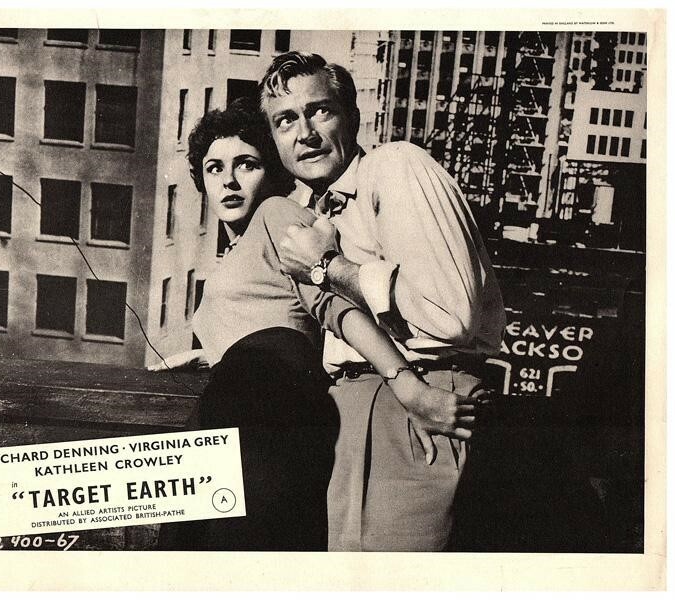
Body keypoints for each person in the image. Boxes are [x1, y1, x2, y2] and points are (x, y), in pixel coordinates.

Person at [153, 99, 475, 551]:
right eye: (214, 168)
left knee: (220, 550)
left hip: (267, 406)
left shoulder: (278, 216)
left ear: (273, 172)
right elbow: (275, 313)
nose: (228, 180)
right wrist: (212, 355)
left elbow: (335, 309)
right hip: (242, 400)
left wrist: (408, 387)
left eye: (246, 164)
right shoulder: (239, 249)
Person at [260, 51, 507, 551]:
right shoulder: (308, 210)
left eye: (320, 111)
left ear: (351, 115)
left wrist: (329, 267)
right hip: (350, 413)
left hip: (424, 401)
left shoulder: (395, 167)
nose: (305, 133)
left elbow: (450, 316)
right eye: (285, 120)